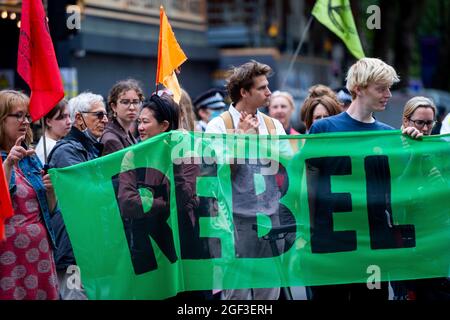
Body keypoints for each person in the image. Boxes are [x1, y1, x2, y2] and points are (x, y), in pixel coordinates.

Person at [307, 57, 424, 301]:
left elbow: (400, 190)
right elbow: (306, 186)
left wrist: (412, 152)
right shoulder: (324, 129)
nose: (388, 95)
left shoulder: (389, 135)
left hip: (373, 245)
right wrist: (304, 235)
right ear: (358, 89)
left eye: (389, 88)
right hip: (331, 243)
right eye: (381, 88)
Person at [206, 60, 286, 300]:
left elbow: (289, 167)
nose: (269, 93)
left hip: (271, 220)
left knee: (269, 294)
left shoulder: (274, 125)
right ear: (244, 92)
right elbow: (216, 173)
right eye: (262, 88)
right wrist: (241, 140)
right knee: (236, 296)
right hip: (234, 223)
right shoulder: (218, 125)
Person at [47, 92, 108, 300]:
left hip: (88, 246)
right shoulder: (66, 151)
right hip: (73, 249)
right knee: (76, 297)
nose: (106, 120)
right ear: (79, 118)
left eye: (106, 115)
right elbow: (85, 194)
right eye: (99, 115)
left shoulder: (89, 148)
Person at [0, 89, 59, 300]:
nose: (25, 121)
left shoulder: (30, 156)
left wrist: (51, 191)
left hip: (41, 251)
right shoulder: (5, 160)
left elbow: (49, 210)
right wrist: (7, 165)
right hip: (8, 256)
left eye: (27, 116)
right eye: (18, 115)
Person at [100, 79, 143, 156]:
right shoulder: (111, 139)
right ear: (114, 107)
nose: (132, 107)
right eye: (125, 102)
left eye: (136, 102)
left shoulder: (127, 134)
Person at [35, 99, 71, 164]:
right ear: (48, 122)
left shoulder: (50, 144)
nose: (69, 121)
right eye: (62, 117)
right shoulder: (50, 147)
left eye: (69, 116)